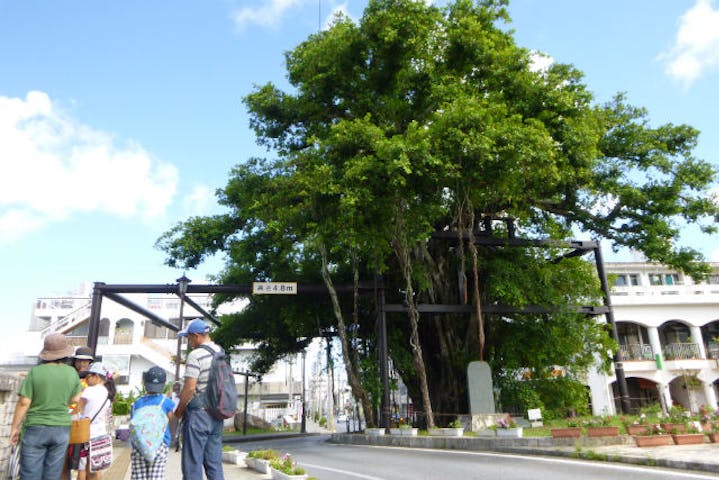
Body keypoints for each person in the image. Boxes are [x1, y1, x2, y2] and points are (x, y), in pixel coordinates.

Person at [9, 333, 82, 480]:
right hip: (61, 428)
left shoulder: (35, 372)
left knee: (30, 474)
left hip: (36, 427)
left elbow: (24, 403)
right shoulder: (72, 373)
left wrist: (14, 428)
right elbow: (75, 400)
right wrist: (62, 408)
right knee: (53, 475)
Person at [174, 319, 225, 480]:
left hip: (198, 415)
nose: (189, 342)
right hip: (217, 413)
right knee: (214, 463)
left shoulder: (195, 355)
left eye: (188, 338)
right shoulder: (220, 352)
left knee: (192, 464)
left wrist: (179, 410)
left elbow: (189, 388)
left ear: (196, 336)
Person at [130, 367, 174, 480]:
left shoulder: (136, 403)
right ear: (164, 384)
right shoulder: (166, 402)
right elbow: (170, 419)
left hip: (139, 446)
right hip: (160, 445)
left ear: (145, 382)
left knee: (138, 477)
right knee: (156, 477)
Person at [77, 362, 115, 480]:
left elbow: (76, 411)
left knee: (82, 468)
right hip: (100, 436)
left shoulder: (89, 391)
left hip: (85, 435)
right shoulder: (107, 392)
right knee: (95, 468)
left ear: (97, 376)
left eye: (88, 376)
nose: (86, 379)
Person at [63, 346, 96, 480]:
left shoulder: (92, 379)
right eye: (80, 361)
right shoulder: (69, 376)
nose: (82, 364)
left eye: (86, 361)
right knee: (65, 462)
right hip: (68, 421)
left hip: (85, 425)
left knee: (85, 464)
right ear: (75, 362)